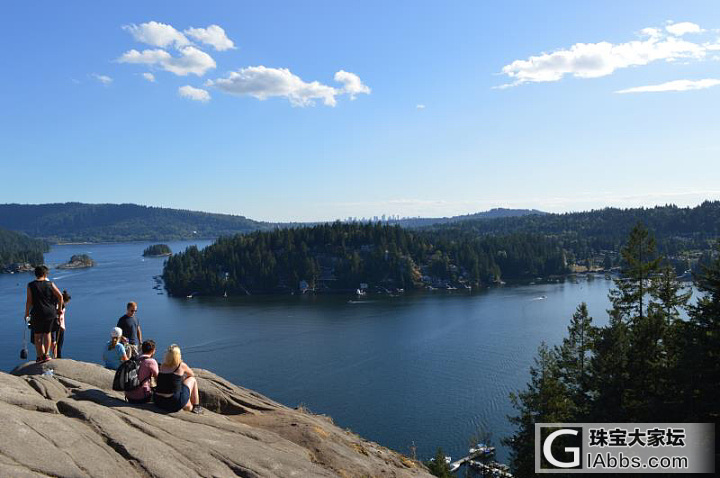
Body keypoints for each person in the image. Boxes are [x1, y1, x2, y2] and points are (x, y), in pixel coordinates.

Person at [24, 265, 63, 363]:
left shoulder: (31, 285)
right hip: (50, 312)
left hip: (37, 312)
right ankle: (47, 355)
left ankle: (39, 356)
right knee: (47, 334)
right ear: (45, 274)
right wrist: (59, 310)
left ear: (36, 274)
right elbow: (60, 296)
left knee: (37, 336)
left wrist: (26, 314)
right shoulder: (50, 284)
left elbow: (29, 301)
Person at [154, 344, 202, 414]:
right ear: (178, 355)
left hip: (159, 401)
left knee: (178, 385)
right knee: (192, 379)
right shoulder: (181, 366)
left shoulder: (162, 366)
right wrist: (182, 377)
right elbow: (191, 374)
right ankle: (196, 406)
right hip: (173, 403)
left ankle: (188, 405)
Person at [125, 340, 159, 404]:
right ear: (153, 350)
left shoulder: (134, 359)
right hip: (142, 397)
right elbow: (158, 378)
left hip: (128, 395)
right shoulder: (151, 361)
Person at [51, 290, 71, 358]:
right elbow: (59, 315)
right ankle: (57, 357)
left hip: (57, 325)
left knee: (55, 342)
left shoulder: (55, 304)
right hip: (59, 325)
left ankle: (56, 356)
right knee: (58, 343)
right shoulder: (61, 305)